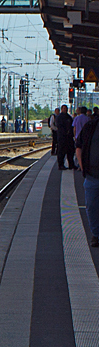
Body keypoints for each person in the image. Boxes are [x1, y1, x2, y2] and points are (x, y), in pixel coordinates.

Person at [77, 109, 99, 247]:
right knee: (91, 207)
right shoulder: (91, 127)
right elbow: (78, 147)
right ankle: (96, 234)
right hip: (92, 175)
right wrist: (82, 166)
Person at [58, 104, 77, 170]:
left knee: (71, 151)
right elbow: (59, 127)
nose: (65, 109)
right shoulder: (59, 117)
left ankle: (71, 164)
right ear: (61, 109)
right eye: (64, 108)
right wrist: (65, 132)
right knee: (61, 151)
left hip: (69, 137)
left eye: (66, 108)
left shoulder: (69, 117)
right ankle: (61, 165)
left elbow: (72, 125)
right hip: (62, 137)